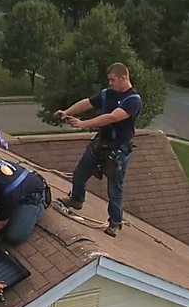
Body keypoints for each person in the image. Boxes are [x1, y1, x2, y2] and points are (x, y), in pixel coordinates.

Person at [54, 62, 142, 237]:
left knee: (114, 187)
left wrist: (83, 124)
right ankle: (76, 200)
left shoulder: (133, 100)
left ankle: (115, 222)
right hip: (102, 142)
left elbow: (112, 117)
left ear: (124, 78)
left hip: (118, 149)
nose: (110, 83)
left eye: (113, 80)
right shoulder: (108, 94)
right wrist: (67, 112)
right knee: (80, 173)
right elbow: (88, 103)